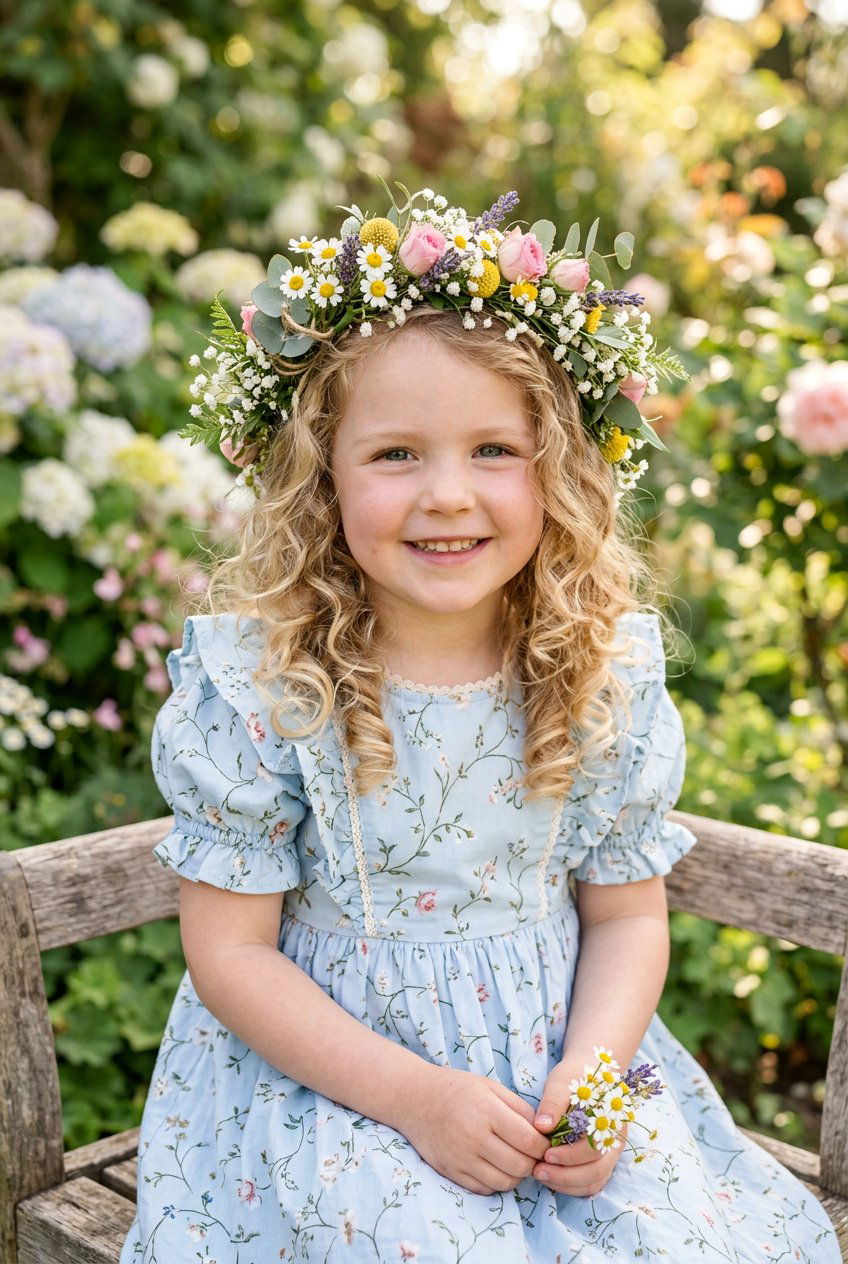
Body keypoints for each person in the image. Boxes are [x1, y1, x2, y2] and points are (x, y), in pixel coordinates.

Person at [120, 185, 841, 1262]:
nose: (446, 494)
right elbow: (230, 955)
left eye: (494, 451)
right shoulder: (270, 686)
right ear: (322, 478)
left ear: (560, 469)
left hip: (555, 1070)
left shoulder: (595, 673)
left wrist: (595, 1089)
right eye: (395, 453)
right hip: (333, 1091)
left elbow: (626, 918)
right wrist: (412, 1097)